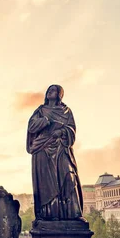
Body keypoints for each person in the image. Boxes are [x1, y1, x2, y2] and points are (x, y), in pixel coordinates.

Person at [26, 85, 83, 220]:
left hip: (61, 147)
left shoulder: (66, 111)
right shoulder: (40, 110)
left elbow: (72, 129)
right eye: (49, 90)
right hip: (43, 149)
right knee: (47, 183)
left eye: (54, 91)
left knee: (69, 177)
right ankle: (50, 215)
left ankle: (74, 215)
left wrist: (62, 131)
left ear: (59, 95)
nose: (51, 92)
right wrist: (44, 121)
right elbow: (31, 127)